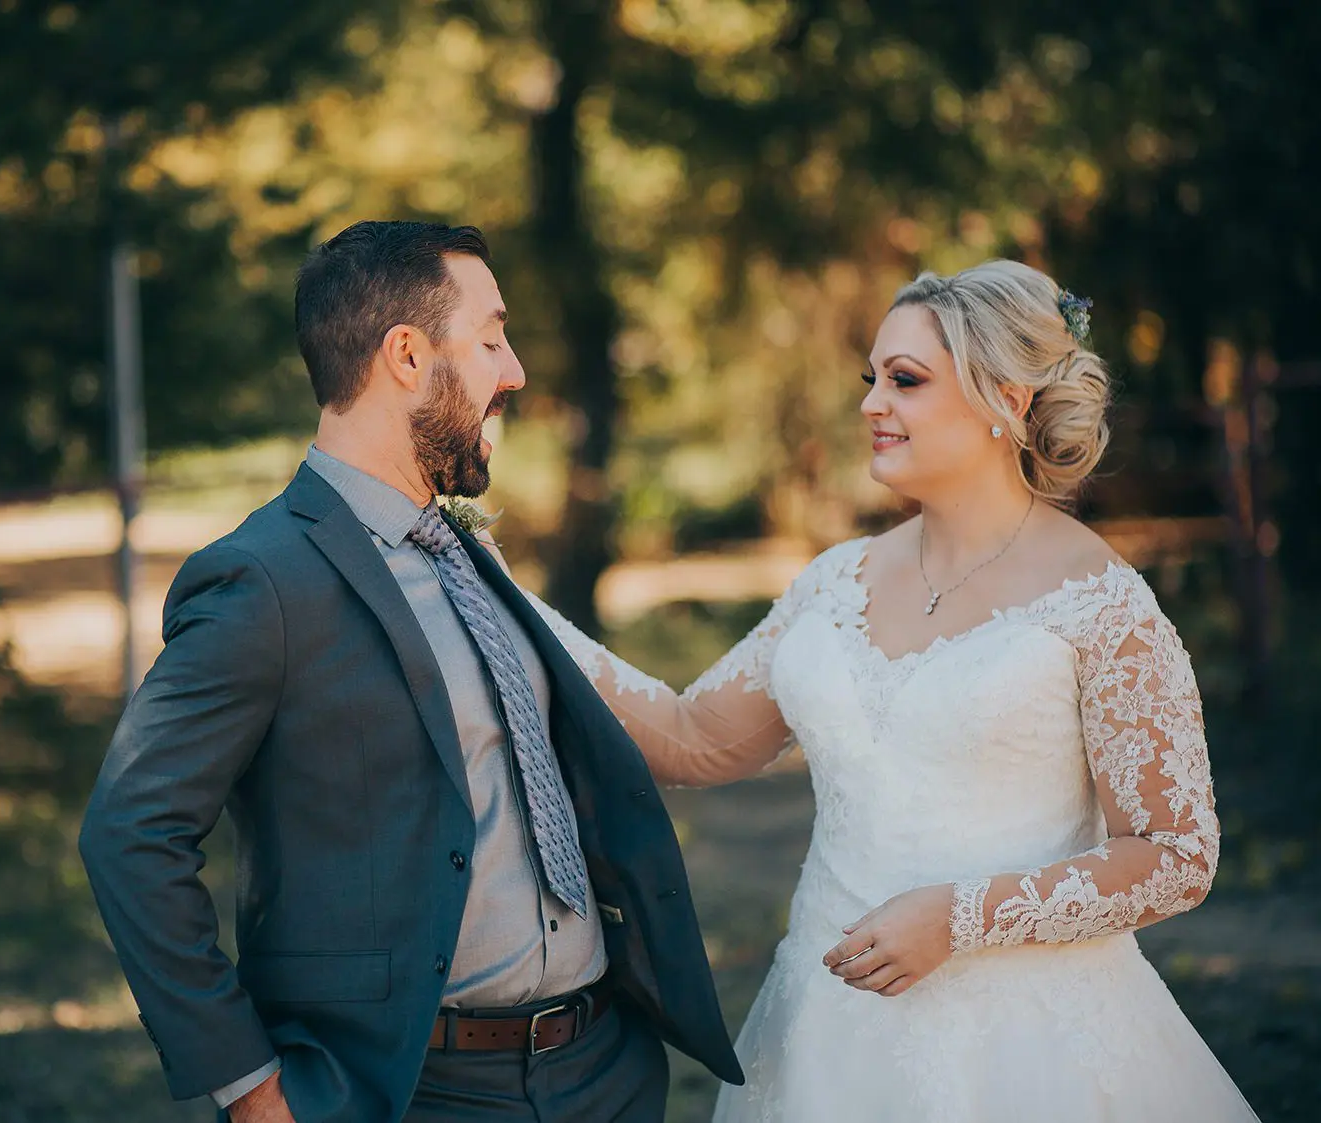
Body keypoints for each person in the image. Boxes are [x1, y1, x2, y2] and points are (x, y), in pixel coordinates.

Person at [526, 260, 1260, 1121]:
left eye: (905, 381)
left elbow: (1177, 855)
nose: (873, 403)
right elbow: (695, 737)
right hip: (827, 1038)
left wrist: (960, 916)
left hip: (1027, 1053)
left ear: (1008, 400)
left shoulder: (1102, 602)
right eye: (872, 378)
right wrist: (507, 600)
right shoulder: (833, 581)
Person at [77, 220, 741, 1123]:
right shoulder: (262, 580)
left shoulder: (468, 549)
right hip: (416, 1092)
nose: (513, 371)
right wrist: (251, 1091)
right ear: (405, 354)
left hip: (603, 1074)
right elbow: (131, 830)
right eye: (492, 338)